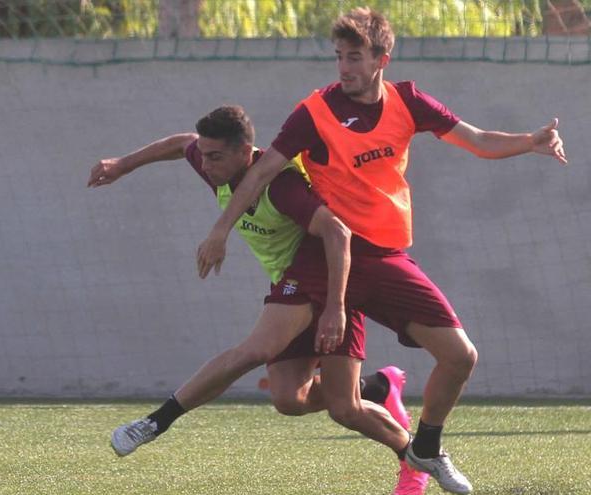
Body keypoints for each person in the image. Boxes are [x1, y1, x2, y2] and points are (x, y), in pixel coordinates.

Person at [195, 9, 567, 495]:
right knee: (293, 397)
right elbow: (260, 173)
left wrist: (529, 142)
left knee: (460, 356)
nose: (344, 67)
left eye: (354, 57)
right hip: (326, 257)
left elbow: (476, 140)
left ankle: (426, 447)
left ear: (381, 60)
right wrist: (220, 228)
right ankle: (165, 417)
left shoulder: (408, 101)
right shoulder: (314, 111)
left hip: (386, 257)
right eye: (338, 57)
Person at [89, 105, 428, 494]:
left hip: (324, 278)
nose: (206, 163)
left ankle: (155, 421)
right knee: (297, 400)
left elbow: (336, 233)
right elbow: (179, 143)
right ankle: (383, 397)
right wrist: (123, 164)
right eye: (204, 154)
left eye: (215, 156)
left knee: (257, 351)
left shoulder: (282, 186)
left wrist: (335, 304)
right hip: (291, 285)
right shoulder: (213, 163)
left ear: (246, 152)